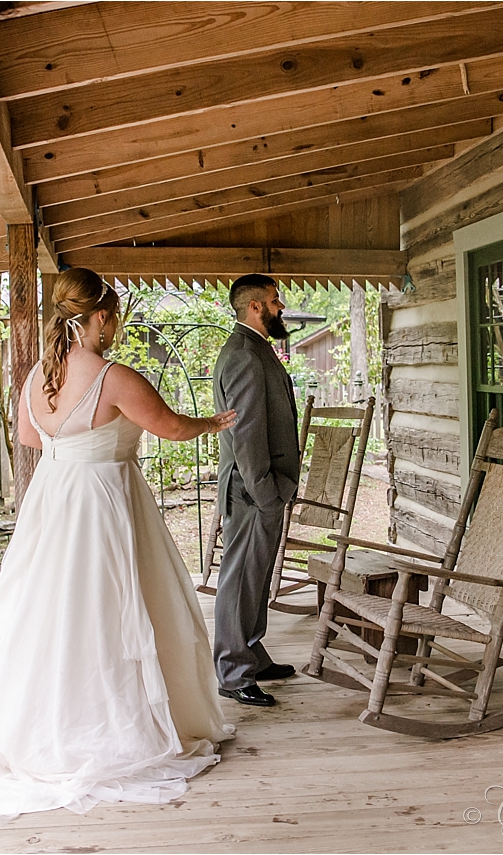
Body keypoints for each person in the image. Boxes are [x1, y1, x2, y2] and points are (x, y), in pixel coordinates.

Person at [0, 268, 238, 836]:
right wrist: (214, 422)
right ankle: (114, 725)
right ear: (99, 317)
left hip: (53, 498)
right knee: (111, 607)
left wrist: (68, 442)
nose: (115, 326)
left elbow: (28, 437)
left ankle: (42, 721)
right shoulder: (116, 378)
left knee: (52, 610)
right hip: (103, 502)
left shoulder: (36, 377)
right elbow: (170, 428)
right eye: (113, 316)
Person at [211, 274, 300, 707]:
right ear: (254, 307)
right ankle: (232, 671)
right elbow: (245, 434)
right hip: (253, 490)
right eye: (273, 300)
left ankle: (251, 653)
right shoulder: (244, 355)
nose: (280, 306)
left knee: (256, 576)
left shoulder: (255, 349)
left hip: (263, 488)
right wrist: (266, 491)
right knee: (241, 579)